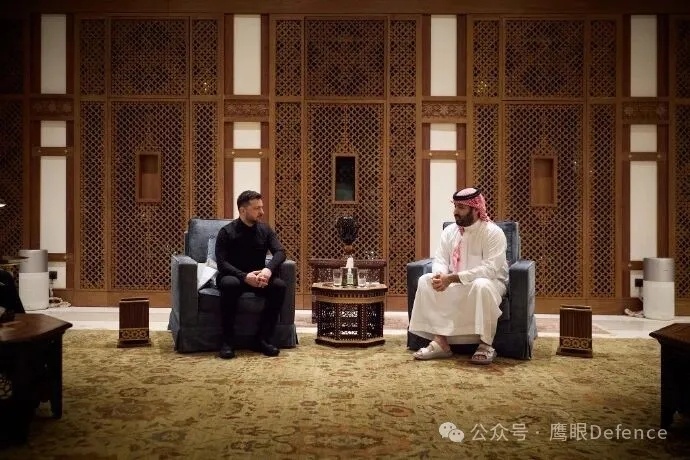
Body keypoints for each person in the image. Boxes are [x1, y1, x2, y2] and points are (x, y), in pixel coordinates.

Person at [408, 187, 508, 365]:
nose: (455, 211)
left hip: (490, 283)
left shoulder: (492, 233)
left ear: (476, 209)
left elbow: (490, 270)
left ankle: (485, 345)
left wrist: (452, 278)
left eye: (461, 207)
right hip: (455, 281)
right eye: (455, 206)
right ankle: (440, 342)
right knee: (425, 281)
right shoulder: (450, 232)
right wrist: (440, 276)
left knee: (481, 285)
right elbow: (440, 259)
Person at [215, 190, 287, 359]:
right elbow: (222, 263)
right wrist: (244, 276)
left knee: (279, 286)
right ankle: (227, 342)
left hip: (258, 278)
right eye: (257, 208)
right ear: (242, 210)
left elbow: (280, 252)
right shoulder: (226, 232)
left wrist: (267, 270)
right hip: (234, 276)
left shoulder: (265, 229)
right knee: (229, 284)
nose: (262, 212)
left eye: (261, 207)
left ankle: (262, 339)